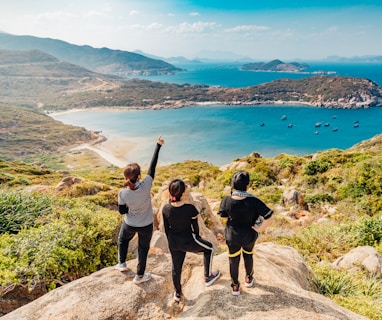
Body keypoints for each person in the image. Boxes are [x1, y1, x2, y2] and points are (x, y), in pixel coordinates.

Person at [115, 135, 164, 285]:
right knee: (143, 249)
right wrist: (158, 145)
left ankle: (122, 264)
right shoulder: (146, 184)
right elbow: (153, 167)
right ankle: (140, 276)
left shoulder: (123, 193)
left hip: (130, 223)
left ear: (125, 176)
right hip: (146, 224)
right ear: (139, 176)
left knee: (123, 240)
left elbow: (122, 212)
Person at [162, 179, 221, 302]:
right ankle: (208, 276)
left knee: (176, 267)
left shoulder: (166, 208)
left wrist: (171, 241)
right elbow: (195, 227)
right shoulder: (190, 208)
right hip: (188, 240)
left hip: (173, 242)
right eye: (185, 188)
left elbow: (166, 228)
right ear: (183, 193)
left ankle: (177, 292)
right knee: (209, 248)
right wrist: (197, 238)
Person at [218, 171, 273, 296]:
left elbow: (223, 216)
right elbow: (269, 216)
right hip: (249, 235)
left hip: (232, 236)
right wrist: (259, 228)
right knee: (248, 255)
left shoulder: (226, 200)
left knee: (233, 259)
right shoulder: (254, 201)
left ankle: (235, 286)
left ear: (232, 185)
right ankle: (249, 278)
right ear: (248, 185)